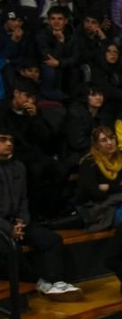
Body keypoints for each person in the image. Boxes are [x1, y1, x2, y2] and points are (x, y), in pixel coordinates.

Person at [0, 127, 82, 301]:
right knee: (9, 249)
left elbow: (23, 199)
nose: (9, 144)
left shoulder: (19, 167)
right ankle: (39, 282)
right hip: (2, 226)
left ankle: (57, 281)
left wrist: (22, 221)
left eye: (11, 140)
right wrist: (9, 229)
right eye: (3, 139)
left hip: (17, 221)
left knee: (52, 239)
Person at [76, 127, 122, 232]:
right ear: (96, 145)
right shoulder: (89, 163)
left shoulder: (120, 158)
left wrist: (108, 187)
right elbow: (96, 194)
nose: (110, 143)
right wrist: (120, 186)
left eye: (111, 138)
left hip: (115, 201)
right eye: (104, 140)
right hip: (94, 206)